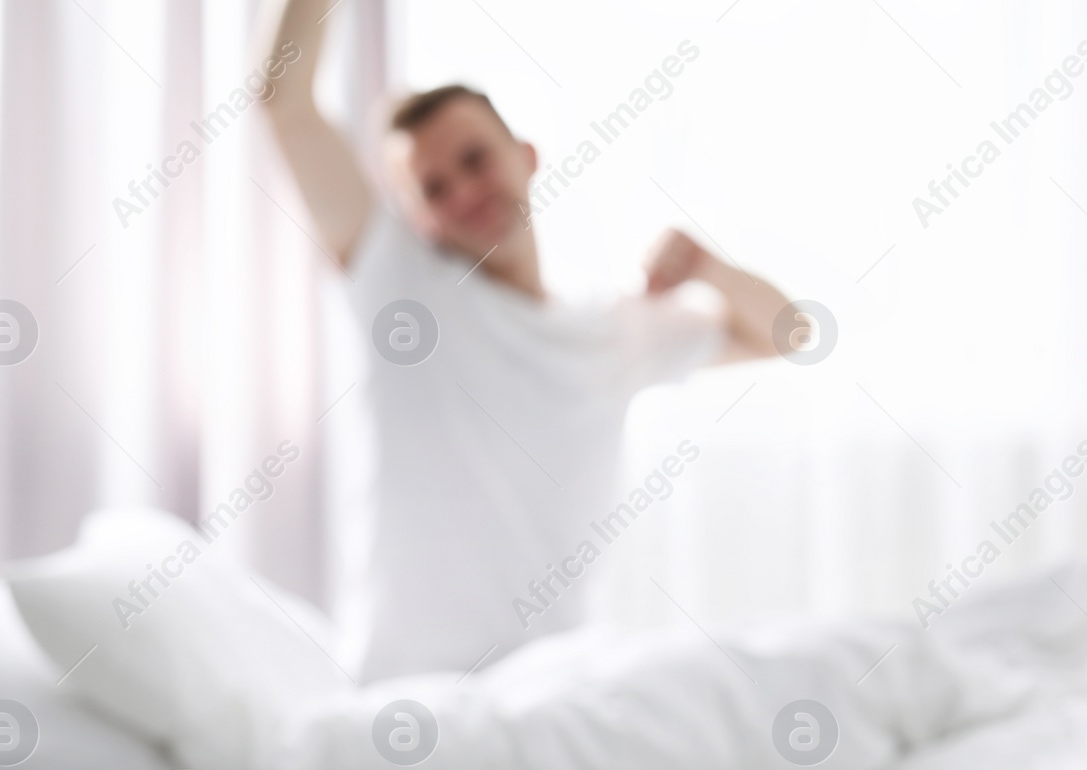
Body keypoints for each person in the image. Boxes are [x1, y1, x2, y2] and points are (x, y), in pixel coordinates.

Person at [256, 0, 795, 682]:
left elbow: (788, 332)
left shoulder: (611, 331)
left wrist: (709, 267)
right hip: (402, 695)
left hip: (552, 690)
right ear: (416, 219)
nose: (464, 193)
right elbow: (281, 101)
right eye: (434, 188)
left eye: (476, 160)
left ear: (527, 156)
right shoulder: (396, 283)